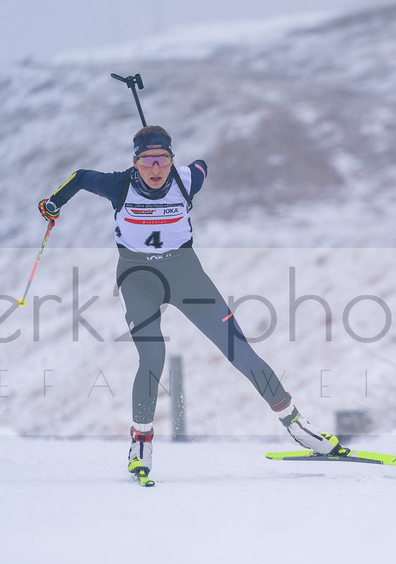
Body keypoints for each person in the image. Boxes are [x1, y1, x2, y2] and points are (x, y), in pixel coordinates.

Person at [39, 125, 341, 483]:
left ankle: (298, 426)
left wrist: (187, 172)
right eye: (148, 161)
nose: (155, 169)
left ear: (171, 160)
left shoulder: (185, 180)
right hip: (138, 279)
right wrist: (53, 203)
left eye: (162, 160)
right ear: (135, 163)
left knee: (239, 349)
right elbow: (80, 177)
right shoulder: (119, 185)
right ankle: (141, 445)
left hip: (186, 275)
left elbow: (202, 167)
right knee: (153, 356)